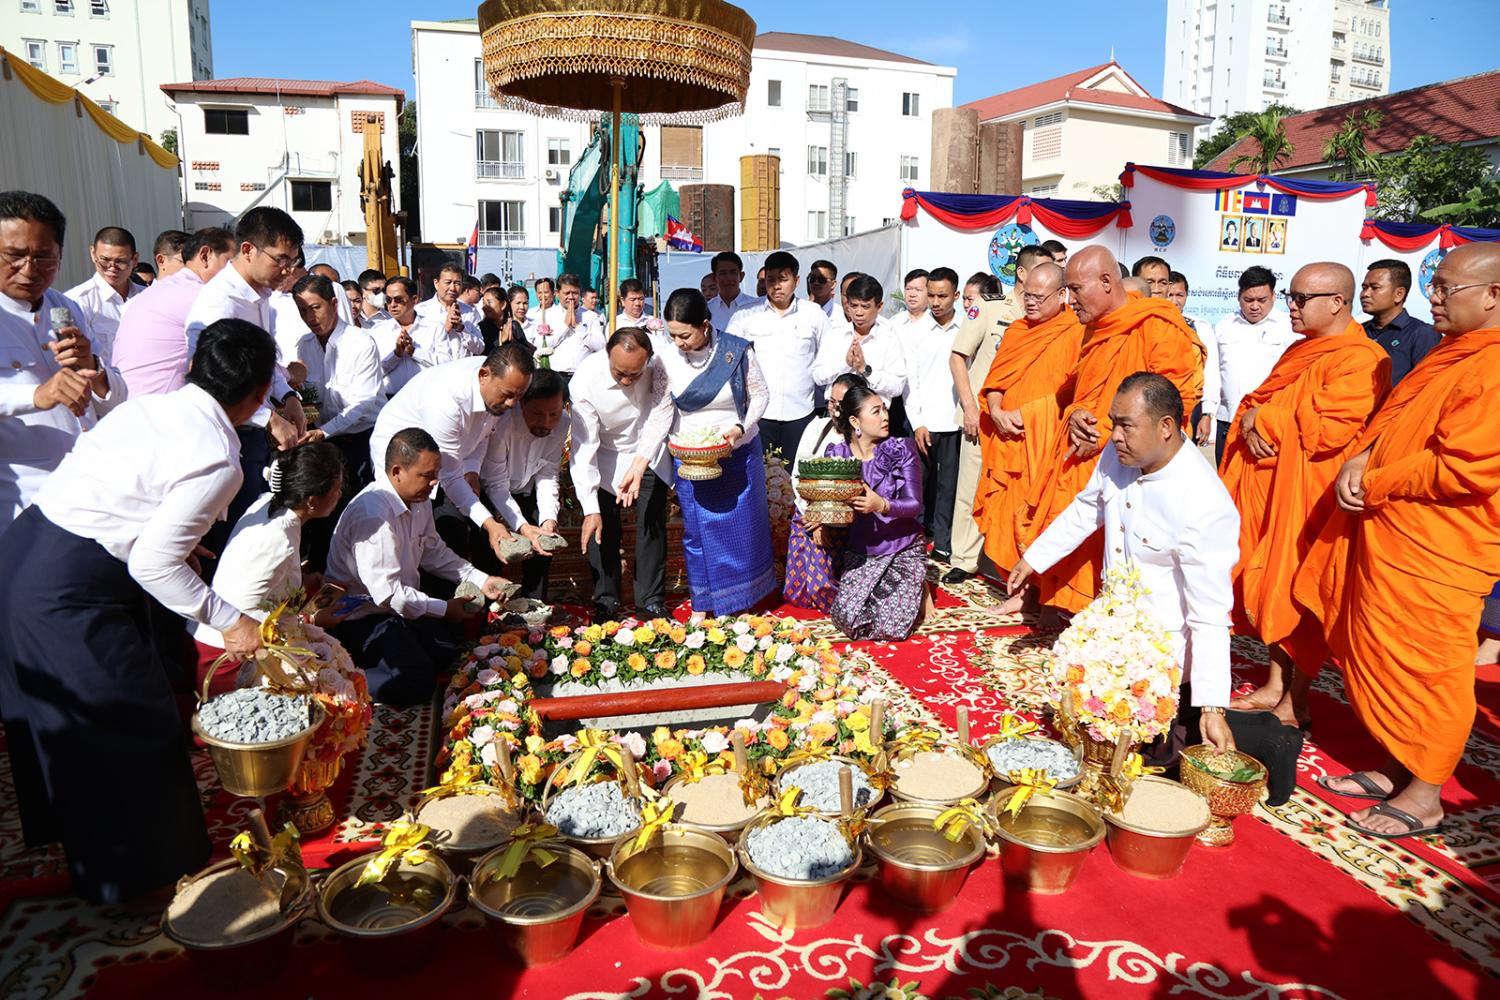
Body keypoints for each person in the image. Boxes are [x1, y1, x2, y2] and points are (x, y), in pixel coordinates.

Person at [0, 318, 274, 903]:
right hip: (67, 588)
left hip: (23, 554)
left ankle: (79, 841)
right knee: (127, 720)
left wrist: (175, 544)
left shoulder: (151, 406)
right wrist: (230, 619)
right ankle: (136, 882)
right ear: (258, 396)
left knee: (63, 718)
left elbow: (127, 499)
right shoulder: (219, 458)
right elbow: (152, 564)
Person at [1291, 243, 1500, 839]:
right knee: (1384, 655)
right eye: (1435, 286)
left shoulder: (1492, 367)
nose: (1433, 298)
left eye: (1447, 288)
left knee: (1430, 668)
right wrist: (1362, 458)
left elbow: (1465, 468)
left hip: (1440, 547)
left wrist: (1375, 480)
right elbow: (1396, 426)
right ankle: (1397, 765)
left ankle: (1426, 795)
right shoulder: (1452, 353)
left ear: (1493, 295)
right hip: (1395, 531)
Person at [1009, 373, 1239, 754]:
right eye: (1113, 423)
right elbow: (1087, 509)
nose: (1114, 435)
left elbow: (1210, 613)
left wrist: (1213, 707)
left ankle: (1263, 735)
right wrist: (1034, 558)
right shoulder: (1120, 456)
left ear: (1166, 427)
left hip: (1162, 666)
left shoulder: (1204, 502)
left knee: (1153, 765)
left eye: (1126, 426)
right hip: (1111, 637)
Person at [1220, 263, 1390, 729]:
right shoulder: (1300, 350)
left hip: (1315, 497)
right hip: (1277, 487)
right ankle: (1275, 684)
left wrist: (1261, 419)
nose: (1290, 306)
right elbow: (1261, 401)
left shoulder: (1363, 358)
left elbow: (1327, 428)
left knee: (1302, 589)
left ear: (1336, 302)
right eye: (1290, 297)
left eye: (1300, 298)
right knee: (1273, 584)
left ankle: (1298, 699)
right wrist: (1254, 418)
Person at [1016, 246, 1205, 615]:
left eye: (1075, 289)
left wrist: (1108, 430)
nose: (1070, 300)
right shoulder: (1094, 328)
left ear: (1106, 281)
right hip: (1088, 460)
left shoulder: (1159, 326)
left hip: (1138, 469)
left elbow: (1175, 403)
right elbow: (1078, 393)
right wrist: (1076, 415)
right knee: (1081, 534)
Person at [328, 427, 510, 705]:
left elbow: (433, 552)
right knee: (416, 681)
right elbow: (388, 595)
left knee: (447, 653)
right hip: (360, 617)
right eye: (427, 475)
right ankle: (332, 681)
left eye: (436, 474)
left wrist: (481, 579)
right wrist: (444, 609)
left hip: (395, 610)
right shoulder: (373, 515)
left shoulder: (417, 499)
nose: (434, 483)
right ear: (397, 472)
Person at [0, 191, 127, 527]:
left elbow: (114, 395)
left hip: (88, 489)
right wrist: (36, 395)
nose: (29, 269)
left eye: (44, 257)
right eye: (14, 255)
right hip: (22, 502)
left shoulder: (65, 307)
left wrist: (93, 368)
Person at [185, 207, 307, 538]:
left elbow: (264, 361)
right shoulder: (219, 304)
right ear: (248, 249)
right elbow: (209, 383)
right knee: (233, 536)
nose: (287, 270)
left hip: (250, 433)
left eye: (293, 261)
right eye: (281, 259)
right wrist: (268, 419)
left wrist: (288, 396)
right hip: (224, 437)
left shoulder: (261, 297)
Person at [190, 442, 345, 693]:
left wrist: (306, 583)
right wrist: (312, 619)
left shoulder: (269, 503)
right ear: (312, 501)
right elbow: (243, 612)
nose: (340, 494)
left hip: (235, 636)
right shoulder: (279, 540)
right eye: (336, 489)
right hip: (227, 654)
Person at [660, 289, 776, 615]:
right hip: (691, 457)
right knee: (698, 532)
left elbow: (760, 395)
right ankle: (703, 603)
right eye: (672, 335)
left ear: (705, 325)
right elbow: (660, 410)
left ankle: (742, 602)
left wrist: (740, 428)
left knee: (742, 530)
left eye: (685, 335)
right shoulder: (665, 358)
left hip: (737, 452)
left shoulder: (735, 351)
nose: (679, 343)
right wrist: (642, 459)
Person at [369, 342, 535, 562]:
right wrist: (490, 524)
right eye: (508, 395)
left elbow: (482, 433)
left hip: (445, 462)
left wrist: (472, 470)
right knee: (410, 538)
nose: (512, 404)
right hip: (405, 462)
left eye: (519, 396)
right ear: (484, 375)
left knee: (449, 538)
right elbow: (450, 476)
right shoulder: (446, 399)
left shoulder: (496, 383)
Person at [973, 262, 1086, 577]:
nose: (1031, 302)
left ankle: (1037, 587)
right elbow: (994, 382)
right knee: (1005, 515)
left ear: (1062, 295)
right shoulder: (1016, 331)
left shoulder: (1076, 331)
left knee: (1039, 516)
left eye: (1039, 296)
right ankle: (1013, 584)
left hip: (1044, 444)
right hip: (1008, 441)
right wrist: (997, 411)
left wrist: (1029, 414)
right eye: (1027, 295)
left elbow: (1074, 392)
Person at [945, 255, 1042, 586]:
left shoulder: (1049, 314)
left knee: (1012, 489)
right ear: (1022, 273)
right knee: (970, 487)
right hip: (982, 415)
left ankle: (1003, 555)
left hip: (1021, 419)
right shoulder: (989, 308)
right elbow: (958, 357)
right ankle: (964, 558)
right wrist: (969, 407)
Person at [569, 328, 674, 621]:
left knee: (651, 522)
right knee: (602, 526)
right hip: (606, 453)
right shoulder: (585, 380)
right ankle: (606, 599)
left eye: (634, 375)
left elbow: (660, 415)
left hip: (649, 448)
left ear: (648, 360)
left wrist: (640, 462)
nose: (627, 381)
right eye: (619, 374)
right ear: (607, 356)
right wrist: (589, 508)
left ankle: (651, 601)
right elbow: (584, 446)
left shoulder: (660, 365)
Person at [820, 385, 929, 640]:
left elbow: (915, 504)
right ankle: (909, 592)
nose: (885, 417)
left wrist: (881, 505)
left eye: (885, 410)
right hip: (863, 551)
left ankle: (918, 585)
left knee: (891, 629)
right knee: (845, 619)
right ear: (855, 421)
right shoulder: (838, 455)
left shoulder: (901, 449)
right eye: (876, 411)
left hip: (903, 548)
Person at [726, 250, 829, 464]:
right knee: (759, 474)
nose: (776, 286)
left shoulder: (814, 315)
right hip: (758, 415)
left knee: (798, 475)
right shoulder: (746, 315)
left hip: (801, 412)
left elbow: (827, 359)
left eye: (783, 279)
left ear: (796, 281)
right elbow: (728, 360)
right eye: (771, 280)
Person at [111, 226, 236, 398]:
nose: (235, 273)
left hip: (130, 404)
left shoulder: (152, 292)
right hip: (162, 407)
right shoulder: (203, 296)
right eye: (230, 263)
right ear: (205, 256)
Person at [477, 368, 569, 601]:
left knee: (543, 543)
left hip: (527, 489)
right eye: (538, 414)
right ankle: (491, 610)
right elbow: (495, 483)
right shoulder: (502, 424)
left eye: (554, 414)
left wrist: (548, 520)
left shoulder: (563, 423)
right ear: (521, 403)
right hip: (490, 491)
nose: (546, 422)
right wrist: (522, 526)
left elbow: (548, 473)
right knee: (489, 551)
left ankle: (535, 605)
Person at [1198, 265, 1296, 464]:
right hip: (1228, 420)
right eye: (1248, 300)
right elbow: (1214, 373)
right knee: (1225, 476)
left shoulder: (1289, 328)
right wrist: (1207, 412)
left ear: (1274, 297)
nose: (1255, 306)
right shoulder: (1224, 326)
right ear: (1238, 297)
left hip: (1266, 422)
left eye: (1262, 300)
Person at [784, 372, 865, 611]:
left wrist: (828, 519)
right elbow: (797, 474)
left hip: (849, 519)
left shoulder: (865, 437)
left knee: (826, 587)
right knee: (797, 595)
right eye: (831, 402)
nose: (834, 410)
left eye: (841, 405)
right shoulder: (817, 427)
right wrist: (813, 514)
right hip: (809, 513)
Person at [902, 266, 963, 560]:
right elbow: (910, 382)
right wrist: (917, 423)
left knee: (948, 487)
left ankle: (943, 544)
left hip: (955, 422)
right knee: (917, 485)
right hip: (923, 422)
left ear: (956, 295)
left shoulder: (966, 329)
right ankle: (912, 543)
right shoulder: (915, 332)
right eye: (932, 295)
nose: (936, 302)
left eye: (943, 296)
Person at [812, 274, 906, 404]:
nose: (858, 313)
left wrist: (865, 370)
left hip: (873, 412)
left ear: (879, 306)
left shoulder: (888, 338)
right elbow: (818, 376)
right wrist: (845, 364)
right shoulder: (835, 335)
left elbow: (897, 386)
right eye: (854, 306)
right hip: (837, 410)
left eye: (865, 306)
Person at [63, 226, 141, 363]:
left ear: (134, 260)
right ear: (93, 254)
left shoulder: (148, 297)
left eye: (120, 262)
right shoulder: (76, 301)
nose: (112, 268)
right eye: (104, 260)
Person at [1360, 259, 1441, 386]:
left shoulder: (1422, 334)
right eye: (1364, 288)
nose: (1365, 294)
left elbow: (1426, 385)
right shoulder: (1358, 331)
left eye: (1374, 288)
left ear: (1399, 294)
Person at [367, 276, 429, 398]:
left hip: (425, 397)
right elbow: (374, 373)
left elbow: (445, 364)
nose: (392, 305)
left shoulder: (434, 328)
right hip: (390, 398)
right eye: (388, 300)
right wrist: (396, 355)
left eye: (398, 300)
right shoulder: (377, 331)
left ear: (414, 299)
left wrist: (414, 351)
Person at [535, 272, 606, 377]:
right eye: (567, 293)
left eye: (575, 293)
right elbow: (541, 346)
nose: (571, 297)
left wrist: (577, 327)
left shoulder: (591, 316)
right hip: (556, 375)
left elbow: (601, 346)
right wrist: (565, 326)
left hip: (583, 375)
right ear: (557, 293)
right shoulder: (547, 315)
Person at [414, 263, 483, 367]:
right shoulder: (421, 311)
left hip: (463, 371)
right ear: (436, 283)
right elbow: (418, 349)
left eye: (457, 283)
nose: (452, 288)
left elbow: (480, 348)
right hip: (435, 371)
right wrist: (444, 330)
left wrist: (462, 329)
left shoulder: (469, 311)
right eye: (448, 282)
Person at [708, 251, 760, 331]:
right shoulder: (707, 309)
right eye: (723, 273)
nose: (728, 278)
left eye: (733, 273)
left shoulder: (756, 307)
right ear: (714, 278)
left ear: (741, 276)